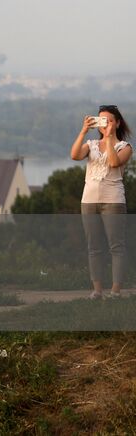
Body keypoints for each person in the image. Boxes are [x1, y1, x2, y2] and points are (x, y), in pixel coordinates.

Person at [70, 105, 132, 299]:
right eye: (102, 120)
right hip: (89, 200)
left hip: (113, 200)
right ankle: (97, 290)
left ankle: (115, 291)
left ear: (117, 122)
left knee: (116, 246)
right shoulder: (92, 144)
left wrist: (111, 137)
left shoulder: (125, 147)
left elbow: (113, 163)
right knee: (94, 247)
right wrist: (83, 131)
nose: (105, 124)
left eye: (109, 120)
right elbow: (75, 155)